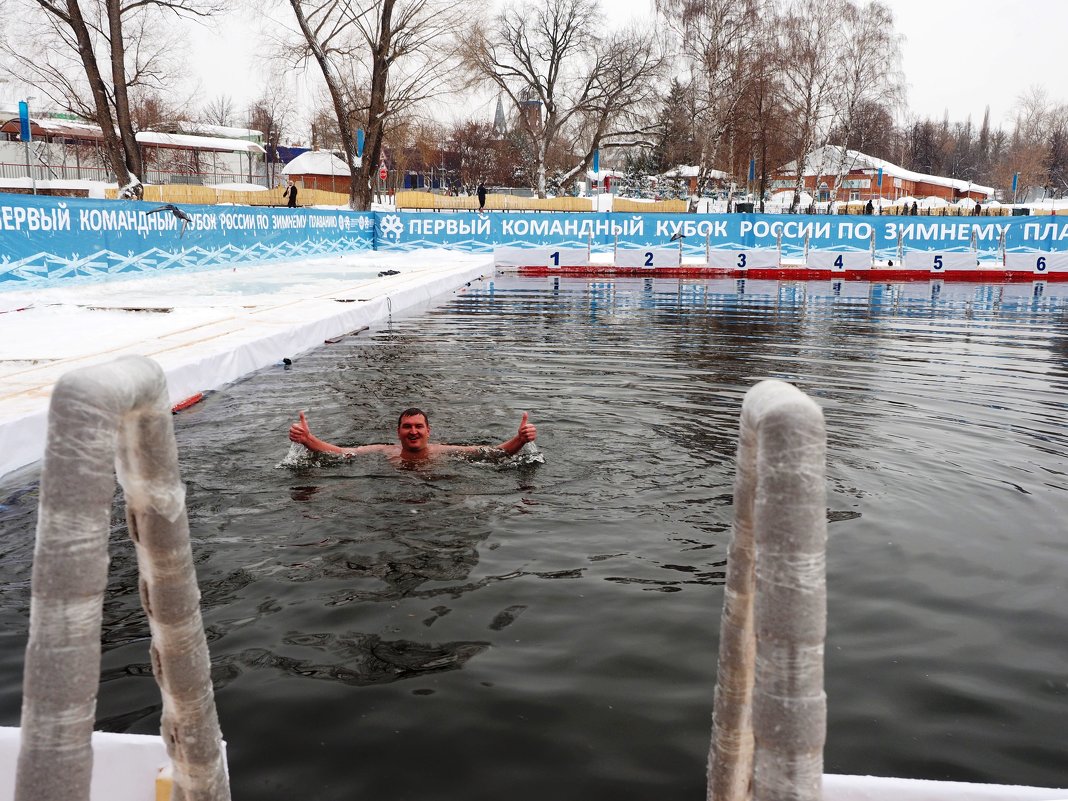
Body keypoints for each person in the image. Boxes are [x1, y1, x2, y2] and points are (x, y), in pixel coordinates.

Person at [288, 407, 536, 462]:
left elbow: (494, 454)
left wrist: (520, 439)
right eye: (407, 427)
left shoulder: (444, 451)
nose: (413, 431)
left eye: (419, 426)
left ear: (428, 431)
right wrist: (308, 440)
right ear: (398, 432)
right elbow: (342, 453)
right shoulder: (385, 450)